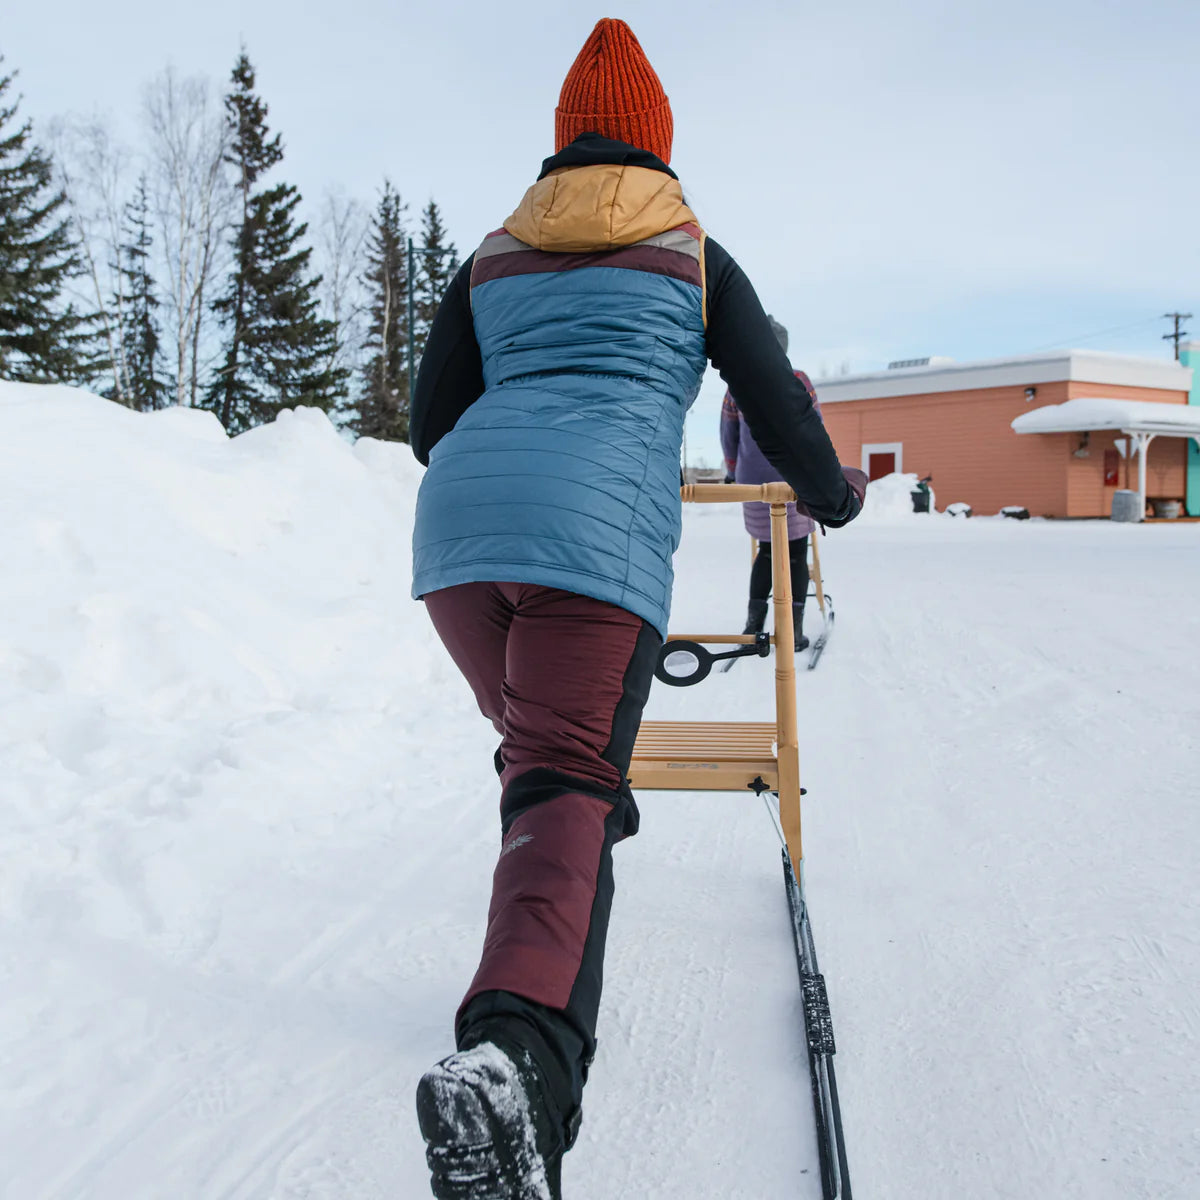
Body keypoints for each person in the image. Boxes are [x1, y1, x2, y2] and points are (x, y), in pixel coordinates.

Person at [408, 18, 868, 1199]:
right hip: (590, 538)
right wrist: (833, 498)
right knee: (565, 780)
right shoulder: (692, 253)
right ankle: (516, 1067)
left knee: (545, 767)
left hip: (460, 548)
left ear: (563, 143)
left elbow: (426, 422)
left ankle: (583, 840)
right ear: (657, 144)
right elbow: (773, 397)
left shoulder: (493, 254)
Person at [720, 318, 824, 651]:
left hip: (752, 480)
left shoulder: (737, 382)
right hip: (795, 476)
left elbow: (728, 435)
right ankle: (793, 631)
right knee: (796, 553)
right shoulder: (798, 380)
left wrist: (735, 470)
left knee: (765, 551)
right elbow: (815, 429)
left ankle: (753, 625)